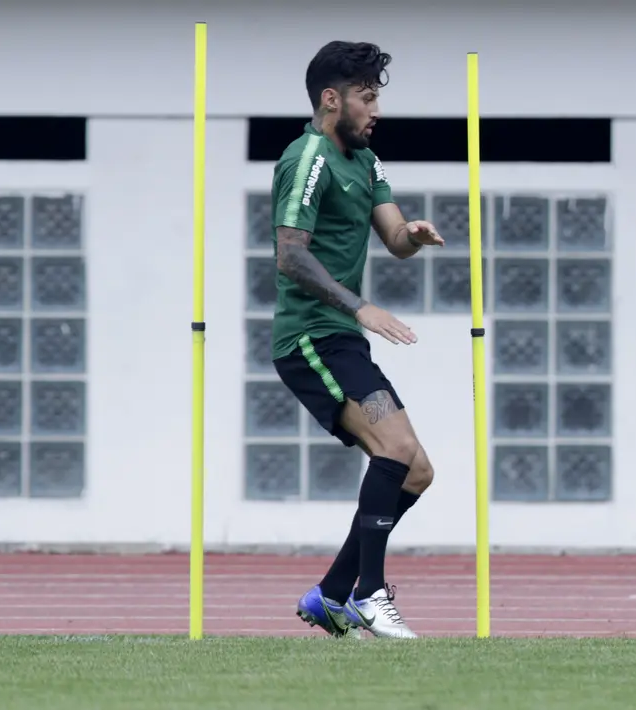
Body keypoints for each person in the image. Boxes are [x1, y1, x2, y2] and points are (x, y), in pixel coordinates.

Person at [270, 40, 443, 639]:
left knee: (416, 471)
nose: (376, 110)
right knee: (395, 448)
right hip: (311, 337)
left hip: (342, 339)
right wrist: (360, 306)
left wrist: (413, 236)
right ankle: (369, 594)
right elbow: (290, 256)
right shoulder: (310, 156)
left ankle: (332, 593)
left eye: (376, 97)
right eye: (366, 98)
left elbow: (393, 236)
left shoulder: (367, 163)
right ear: (331, 99)